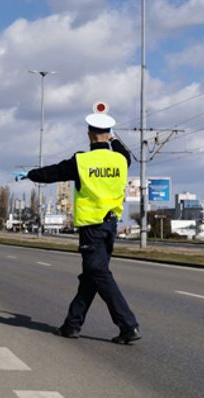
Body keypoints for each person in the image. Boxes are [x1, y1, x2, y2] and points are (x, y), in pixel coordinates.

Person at [22, 107, 141, 344]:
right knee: (91, 277)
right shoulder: (121, 160)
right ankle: (71, 325)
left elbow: (51, 173)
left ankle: (128, 325)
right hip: (110, 227)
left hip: (92, 228)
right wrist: (113, 138)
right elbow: (123, 151)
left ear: (89, 134)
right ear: (109, 134)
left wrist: (29, 174)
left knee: (99, 274)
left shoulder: (82, 161)